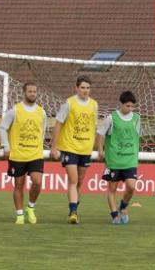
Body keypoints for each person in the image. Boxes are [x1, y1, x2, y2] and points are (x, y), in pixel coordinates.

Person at [50, 75, 98, 224]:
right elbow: (58, 123)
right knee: (73, 179)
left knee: (80, 181)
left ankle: (74, 207)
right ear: (76, 88)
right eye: (82, 87)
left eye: (88, 88)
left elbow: (93, 126)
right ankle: (73, 212)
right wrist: (54, 146)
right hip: (69, 147)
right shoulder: (69, 103)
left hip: (85, 149)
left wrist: (95, 145)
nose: (85, 90)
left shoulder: (94, 105)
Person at [0, 83, 46, 225]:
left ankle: (30, 207)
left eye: (34, 91)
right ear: (24, 93)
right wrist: (6, 146)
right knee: (19, 185)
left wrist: (39, 145)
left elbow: (42, 132)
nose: (32, 94)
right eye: (30, 91)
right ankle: (19, 215)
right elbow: (2, 127)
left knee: (37, 182)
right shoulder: (15, 110)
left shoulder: (41, 112)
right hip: (18, 154)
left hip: (35, 154)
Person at [96, 91, 140, 224]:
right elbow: (101, 134)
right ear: (120, 104)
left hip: (130, 159)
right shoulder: (111, 118)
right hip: (114, 160)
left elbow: (137, 137)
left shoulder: (137, 118)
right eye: (127, 106)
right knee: (112, 188)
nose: (130, 109)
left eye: (132, 106)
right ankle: (115, 215)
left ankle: (123, 207)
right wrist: (100, 150)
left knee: (131, 187)